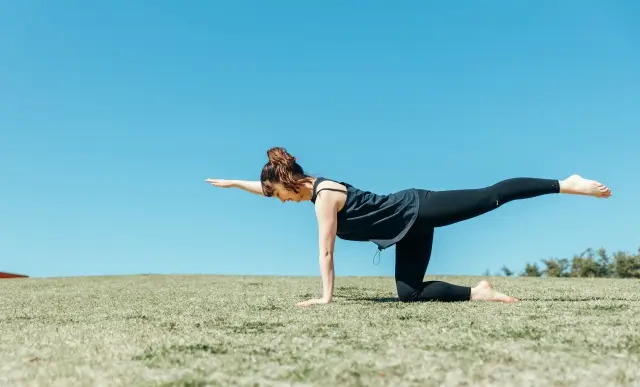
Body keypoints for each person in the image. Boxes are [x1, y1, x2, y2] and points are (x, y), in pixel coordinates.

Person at [206, 147, 612, 307]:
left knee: (491, 196)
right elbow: (266, 189)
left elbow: (325, 251)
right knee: (409, 293)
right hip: (407, 229)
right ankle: (479, 292)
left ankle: (565, 183)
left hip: (418, 207)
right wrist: (233, 183)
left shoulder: (323, 198)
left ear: (288, 183)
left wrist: (325, 299)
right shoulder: (311, 187)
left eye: (276, 194)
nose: (278, 201)